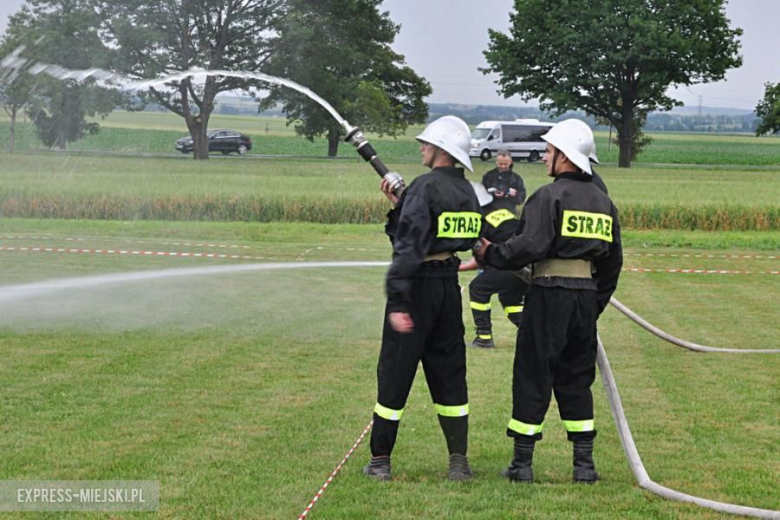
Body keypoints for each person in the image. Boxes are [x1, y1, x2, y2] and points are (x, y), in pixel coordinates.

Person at [474, 119, 623, 484]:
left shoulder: (548, 196)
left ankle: (522, 464)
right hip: (585, 300)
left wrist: (490, 253)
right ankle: (584, 466)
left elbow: (529, 246)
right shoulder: (604, 203)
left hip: (548, 295)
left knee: (533, 373)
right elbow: (613, 262)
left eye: (550, 151)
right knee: (576, 378)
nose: (544, 156)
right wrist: (593, 303)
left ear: (565, 157)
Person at [363, 115, 482, 482]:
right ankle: (458, 460)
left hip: (416, 290)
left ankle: (380, 460)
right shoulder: (468, 193)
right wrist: (403, 204)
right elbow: (450, 237)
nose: (422, 148)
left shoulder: (424, 187)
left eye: (427, 144)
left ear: (442, 150)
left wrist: (398, 303)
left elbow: (408, 246)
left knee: (395, 372)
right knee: (450, 373)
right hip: (448, 289)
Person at [459, 197, 528, 349]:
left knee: (478, 288)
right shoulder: (503, 213)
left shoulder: (478, 220)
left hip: (511, 262)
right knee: (510, 297)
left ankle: (484, 338)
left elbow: (481, 257)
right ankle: (530, 333)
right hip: (528, 261)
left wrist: (457, 267)